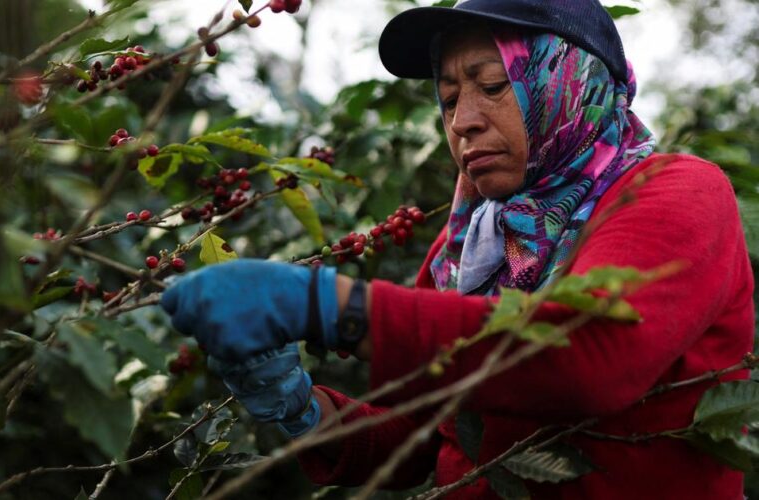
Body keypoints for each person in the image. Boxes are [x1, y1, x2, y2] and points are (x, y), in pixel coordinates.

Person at [161, 0, 755, 497]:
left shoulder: (675, 192)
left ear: (567, 78)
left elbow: (586, 352)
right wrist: (306, 411)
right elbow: (429, 432)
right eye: (447, 100)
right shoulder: (472, 243)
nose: (462, 121)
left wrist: (332, 306)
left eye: (493, 86)